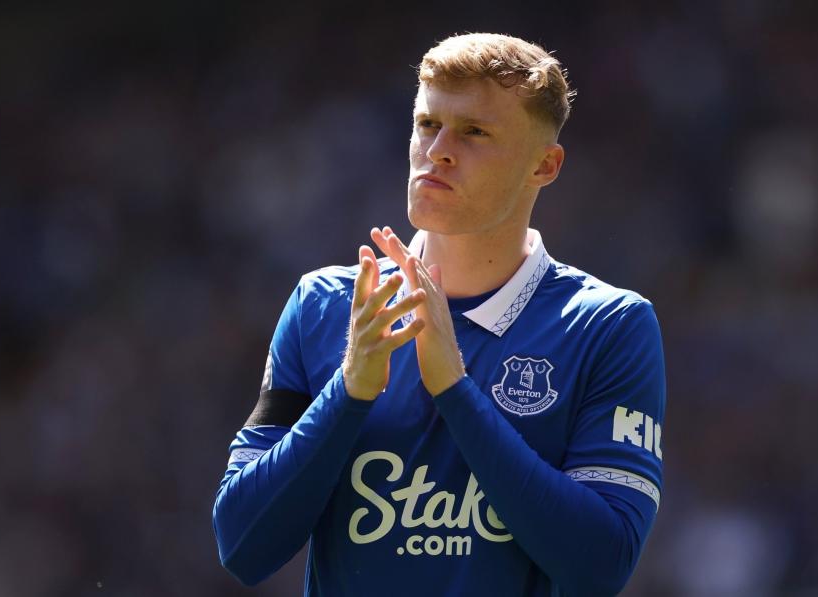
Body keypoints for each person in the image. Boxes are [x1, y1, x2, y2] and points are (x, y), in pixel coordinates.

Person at [213, 32, 666, 596]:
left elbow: (600, 566)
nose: (439, 150)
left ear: (544, 166)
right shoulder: (324, 307)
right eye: (428, 124)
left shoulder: (608, 326)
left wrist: (455, 390)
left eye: (475, 132)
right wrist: (350, 389)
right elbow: (242, 545)